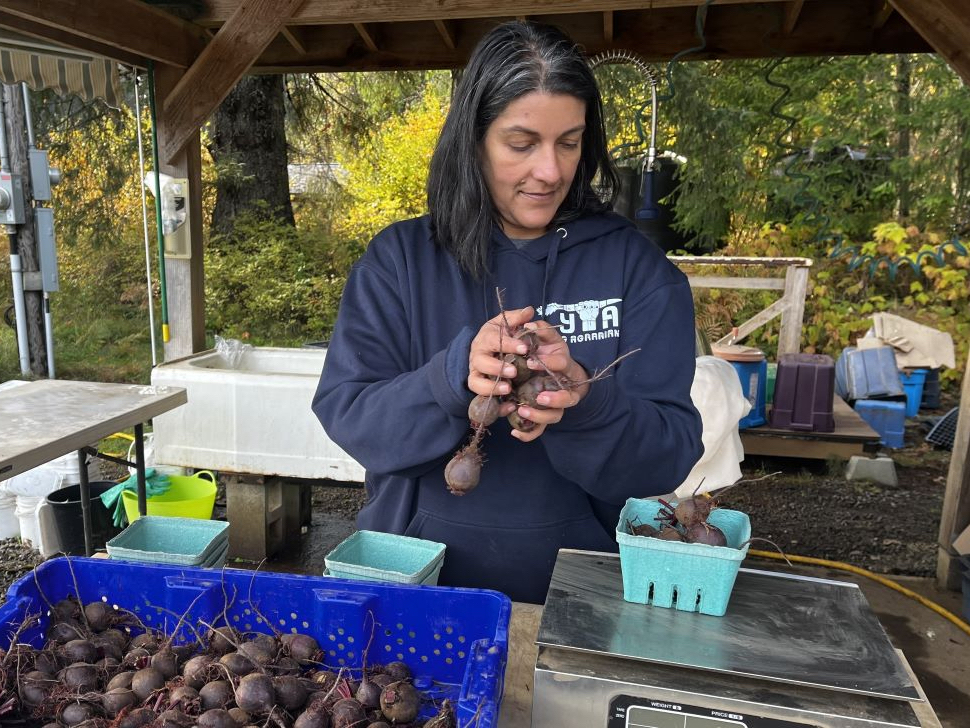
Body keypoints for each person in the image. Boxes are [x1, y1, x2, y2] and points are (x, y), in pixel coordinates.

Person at [313, 20, 703, 604]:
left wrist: (586, 402)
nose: (550, 171)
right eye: (521, 144)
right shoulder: (402, 259)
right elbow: (351, 415)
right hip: (416, 585)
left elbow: (670, 452)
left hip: (581, 595)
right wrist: (451, 378)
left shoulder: (634, 267)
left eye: (568, 142)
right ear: (473, 139)